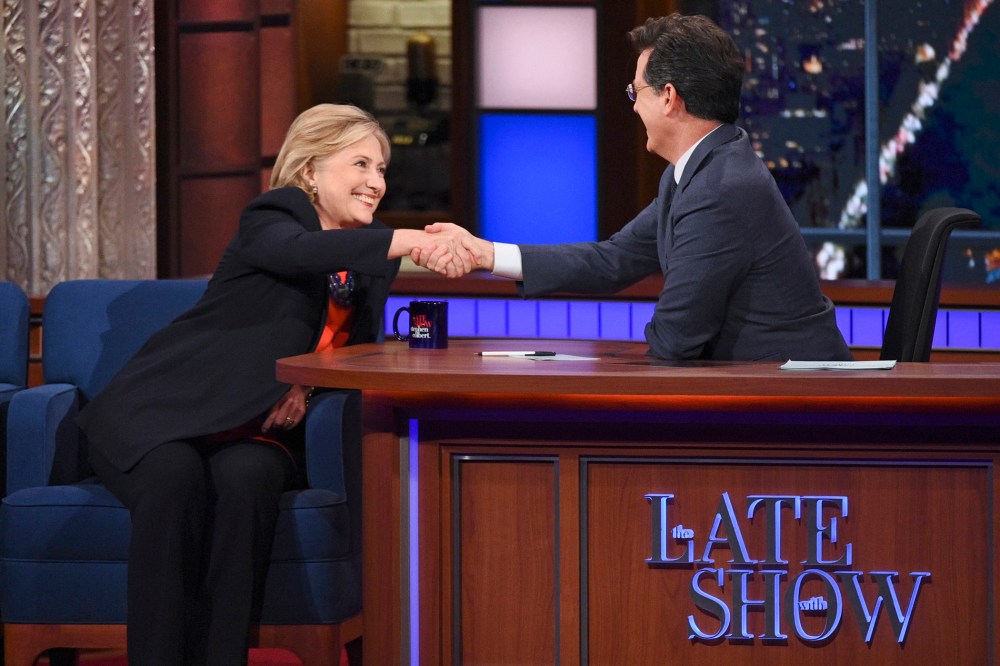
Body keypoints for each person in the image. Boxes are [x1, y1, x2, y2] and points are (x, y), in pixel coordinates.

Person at [77, 103, 469, 665]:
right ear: (311, 170)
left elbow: (346, 348)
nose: (376, 183)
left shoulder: (368, 255)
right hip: (168, 411)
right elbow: (297, 254)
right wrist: (406, 240)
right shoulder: (276, 216)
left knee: (249, 476)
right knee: (173, 476)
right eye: (361, 164)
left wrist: (305, 388)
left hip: (256, 431)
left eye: (382, 169)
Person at [421, 14, 853, 362]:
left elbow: (674, 338)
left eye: (635, 92)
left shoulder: (721, 188)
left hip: (795, 402)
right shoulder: (703, 168)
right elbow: (615, 259)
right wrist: (486, 253)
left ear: (668, 97)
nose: (633, 106)